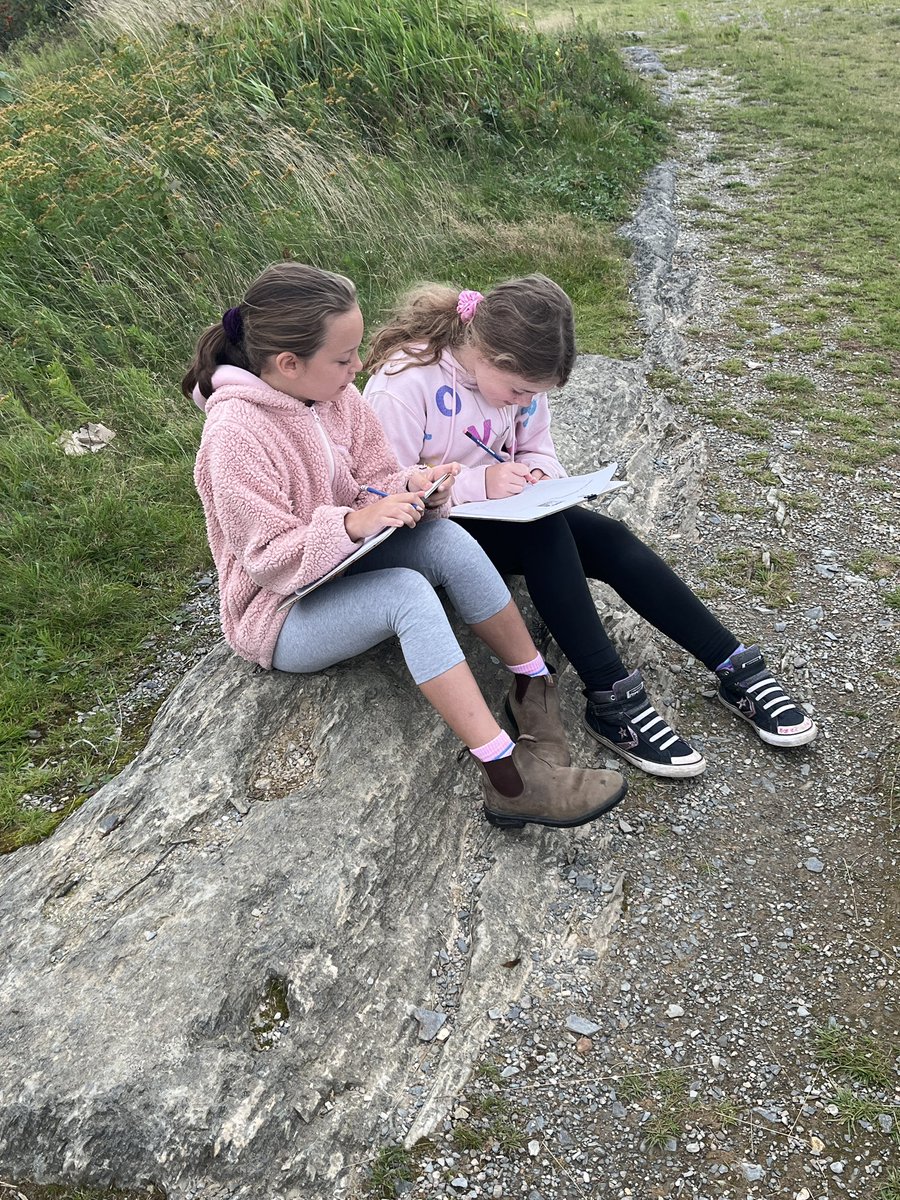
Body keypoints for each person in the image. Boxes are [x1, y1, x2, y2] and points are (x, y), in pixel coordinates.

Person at [181, 262, 627, 830]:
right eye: (345, 358)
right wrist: (353, 524)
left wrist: (412, 484)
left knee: (444, 535)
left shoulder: (334, 395)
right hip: (280, 611)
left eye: (357, 351)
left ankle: (532, 687)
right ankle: (510, 779)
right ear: (288, 365)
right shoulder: (235, 436)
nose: (360, 366)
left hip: (343, 565)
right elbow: (267, 559)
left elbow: (376, 471)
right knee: (407, 594)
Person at [363, 275, 817, 778]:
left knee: (608, 538)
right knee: (544, 532)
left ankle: (733, 664)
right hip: (433, 535)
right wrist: (478, 483)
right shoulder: (404, 383)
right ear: (489, 353)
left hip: (504, 519)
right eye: (516, 390)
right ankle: (611, 699)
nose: (519, 402)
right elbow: (382, 488)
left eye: (531, 394)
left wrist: (541, 475)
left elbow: (538, 446)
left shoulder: (523, 385)